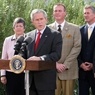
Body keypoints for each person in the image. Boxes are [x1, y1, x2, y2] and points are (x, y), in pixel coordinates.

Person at [26, 9, 62, 95]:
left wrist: (40, 58)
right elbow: (25, 54)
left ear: (46, 19)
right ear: (32, 21)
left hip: (46, 82)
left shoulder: (55, 35)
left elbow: (56, 55)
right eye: (37, 20)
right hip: (30, 81)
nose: (39, 22)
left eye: (41, 19)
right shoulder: (28, 36)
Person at [48, 3, 81, 95]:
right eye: (55, 11)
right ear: (53, 13)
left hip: (69, 70)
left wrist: (65, 64)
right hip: (52, 70)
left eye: (60, 11)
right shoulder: (48, 29)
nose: (57, 13)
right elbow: (45, 49)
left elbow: (77, 47)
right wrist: (55, 64)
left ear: (65, 13)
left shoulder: (75, 28)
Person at [0, 17, 26, 95]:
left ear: (24, 28)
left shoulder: (29, 39)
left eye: (20, 26)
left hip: (24, 73)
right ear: (13, 28)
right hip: (10, 73)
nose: (18, 28)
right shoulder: (7, 40)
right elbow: (4, 58)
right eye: (16, 26)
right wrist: (2, 74)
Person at [78, 5, 95, 95]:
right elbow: (76, 48)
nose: (85, 15)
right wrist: (80, 63)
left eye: (88, 13)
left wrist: (93, 64)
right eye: (84, 13)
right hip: (82, 72)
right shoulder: (79, 30)